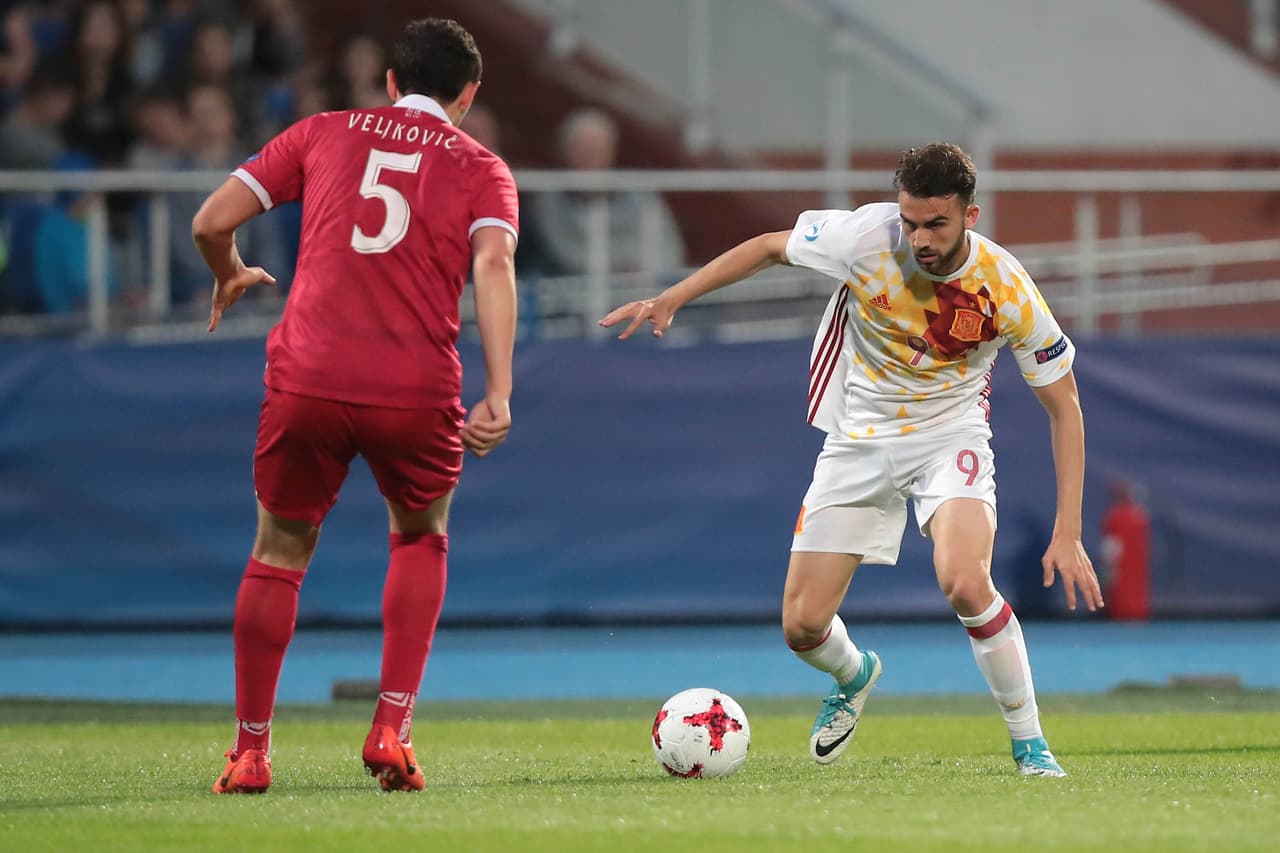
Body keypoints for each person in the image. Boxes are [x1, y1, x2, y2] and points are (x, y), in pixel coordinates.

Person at [601, 142, 1102, 777]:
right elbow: (765, 247)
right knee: (802, 627)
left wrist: (1069, 532)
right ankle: (855, 673)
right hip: (859, 439)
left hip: (950, 437)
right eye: (911, 221)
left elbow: (1066, 408)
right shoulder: (865, 235)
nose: (919, 238)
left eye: (936, 224)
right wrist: (674, 296)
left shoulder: (1005, 288)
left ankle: (1031, 745)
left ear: (970, 217)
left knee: (965, 581)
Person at [191, 17, 518, 794]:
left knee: (277, 553)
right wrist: (500, 390)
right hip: (415, 388)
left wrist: (230, 271)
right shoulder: (482, 167)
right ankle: (390, 727)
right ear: (467, 96)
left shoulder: (322, 132)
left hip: (308, 375)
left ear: (390, 83)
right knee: (420, 536)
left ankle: (250, 752)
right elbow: (495, 263)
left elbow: (210, 221)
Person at [522, 107, 684, 276]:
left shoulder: (640, 195)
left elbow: (669, 249)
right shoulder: (549, 201)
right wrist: (618, 271)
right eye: (582, 149)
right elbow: (566, 255)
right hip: (577, 295)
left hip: (639, 290)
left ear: (613, 151)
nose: (591, 156)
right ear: (565, 153)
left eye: (599, 148)